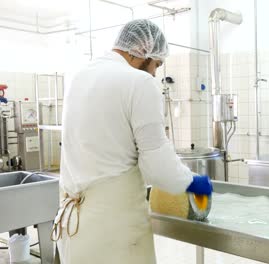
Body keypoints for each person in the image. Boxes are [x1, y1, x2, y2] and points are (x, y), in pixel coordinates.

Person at [54, 19, 212, 263]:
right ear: (144, 52)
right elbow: (157, 166)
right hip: (113, 233)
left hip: (74, 226)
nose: (155, 73)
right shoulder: (140, 83)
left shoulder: (79, 77)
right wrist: (190, 181)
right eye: (156, 64)